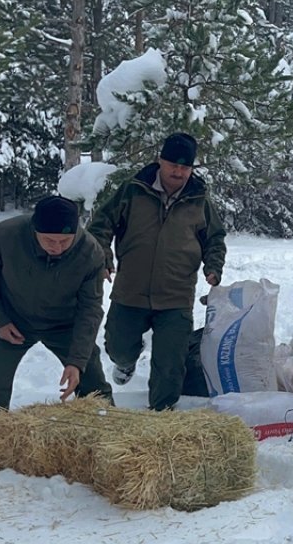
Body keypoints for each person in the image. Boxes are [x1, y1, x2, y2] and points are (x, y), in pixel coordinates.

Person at [87, 132, 227, 411]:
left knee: (170, 363)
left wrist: (213, 267)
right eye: (173, 165)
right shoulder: (133, 190)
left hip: (176, 294)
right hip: (131, 288)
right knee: (117, 346)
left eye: (185, 167)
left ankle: (162, 415)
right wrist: (103, 254)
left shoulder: (199, 200)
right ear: (160, 161)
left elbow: (215, 238)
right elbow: (101, 224)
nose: (178, 172)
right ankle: (126, 363)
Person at [0, 196, 112, 455]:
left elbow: (90, 309)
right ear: (34, 230)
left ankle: (109, 438)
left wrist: (77, 361)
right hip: (12, 319)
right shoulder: (6, 235)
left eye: (64, 241)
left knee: (92, 378)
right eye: (49, 240)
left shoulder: (90, 251)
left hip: (65, 323)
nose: (56, 247)